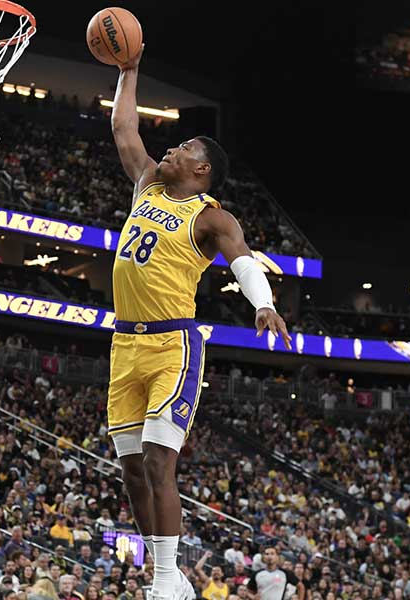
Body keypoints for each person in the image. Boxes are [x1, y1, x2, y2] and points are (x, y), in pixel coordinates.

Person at [105, 45, 289, 600]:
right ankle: (170, 575)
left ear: (202, 169)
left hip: (172, 347)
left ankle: (165, 578)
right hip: (124, 344)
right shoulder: (146, 185)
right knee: (132, 473)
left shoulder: (211, 217)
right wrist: (129, 70)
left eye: (184, 147)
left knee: (161, 461)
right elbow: (122, 126)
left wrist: (262, 301)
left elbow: (243, 258)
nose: (171, 149)